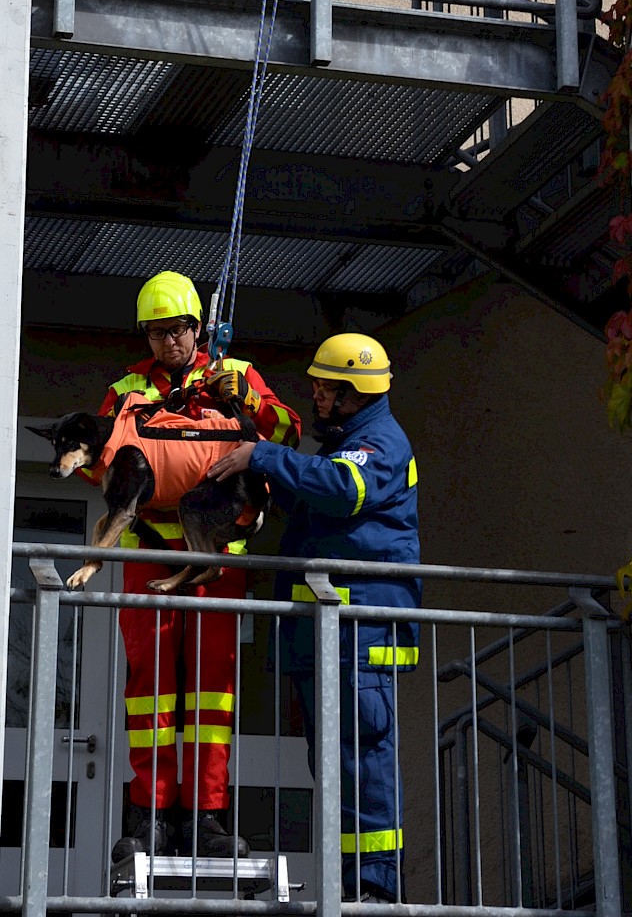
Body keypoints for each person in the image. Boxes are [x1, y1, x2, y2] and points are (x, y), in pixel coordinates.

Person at [208, 333, 420, 901]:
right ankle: (350, 889)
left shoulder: (379, 443)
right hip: (331, 638)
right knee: (336, 767)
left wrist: (265, 455)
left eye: (325, 388)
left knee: (362, 767)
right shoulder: (345, 441)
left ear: (352, 392)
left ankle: (375, 890)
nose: (317, 397)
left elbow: (340, 491)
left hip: (360, 635)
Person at [99, 271, 301, 859]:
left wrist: (250, 397)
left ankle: (206, 817)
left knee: (212, 689)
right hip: (150, 551)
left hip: (219, 557)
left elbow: (286, 433)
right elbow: (100, 471)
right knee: (149, 686)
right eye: (156, 333)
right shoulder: (127, 387)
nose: (167, 343)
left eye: (177, 331)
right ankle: (147, 816)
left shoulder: (233, 376)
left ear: (197, 328)